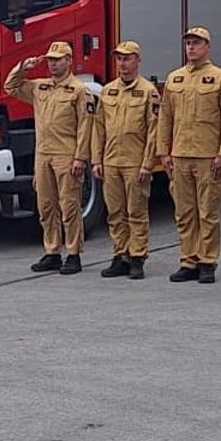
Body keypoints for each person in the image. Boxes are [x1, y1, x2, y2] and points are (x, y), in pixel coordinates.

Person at [3, 41, 94, 275]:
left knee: (69, 206)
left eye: (58, 59)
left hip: (66, 154)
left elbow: (86, 127)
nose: (53, 64)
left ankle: (73, 253)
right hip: (43, 154)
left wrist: (80, 158)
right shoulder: (40, 87)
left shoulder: (79, 90)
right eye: (51, 60)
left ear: (69, 61)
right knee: (45, 206)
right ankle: (52, 251)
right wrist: (24, 67)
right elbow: (11, 87)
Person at [155, 27, 221, 284]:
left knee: (208, 212)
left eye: (197, 43)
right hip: (180, 155)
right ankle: (188, 259)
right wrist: (163, 152)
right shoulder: (175, 78)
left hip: (207, 155)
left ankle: (208, 261)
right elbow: (165, 117)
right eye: (188, 43)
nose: (191, 48)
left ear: (207, 47)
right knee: (184, 211)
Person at [90, 41, 159, 280]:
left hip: (135, 161)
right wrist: (96, 159)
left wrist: (148, 163)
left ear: (138, 61)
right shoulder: (108, 91)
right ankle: (120, 254)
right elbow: (99, 128)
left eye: (127, 58)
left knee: (136, 211)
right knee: (115, 212)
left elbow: (153, 131)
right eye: (119, 58)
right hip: (111, 161)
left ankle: (137, 256)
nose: (122, 63)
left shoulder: (149, 91)